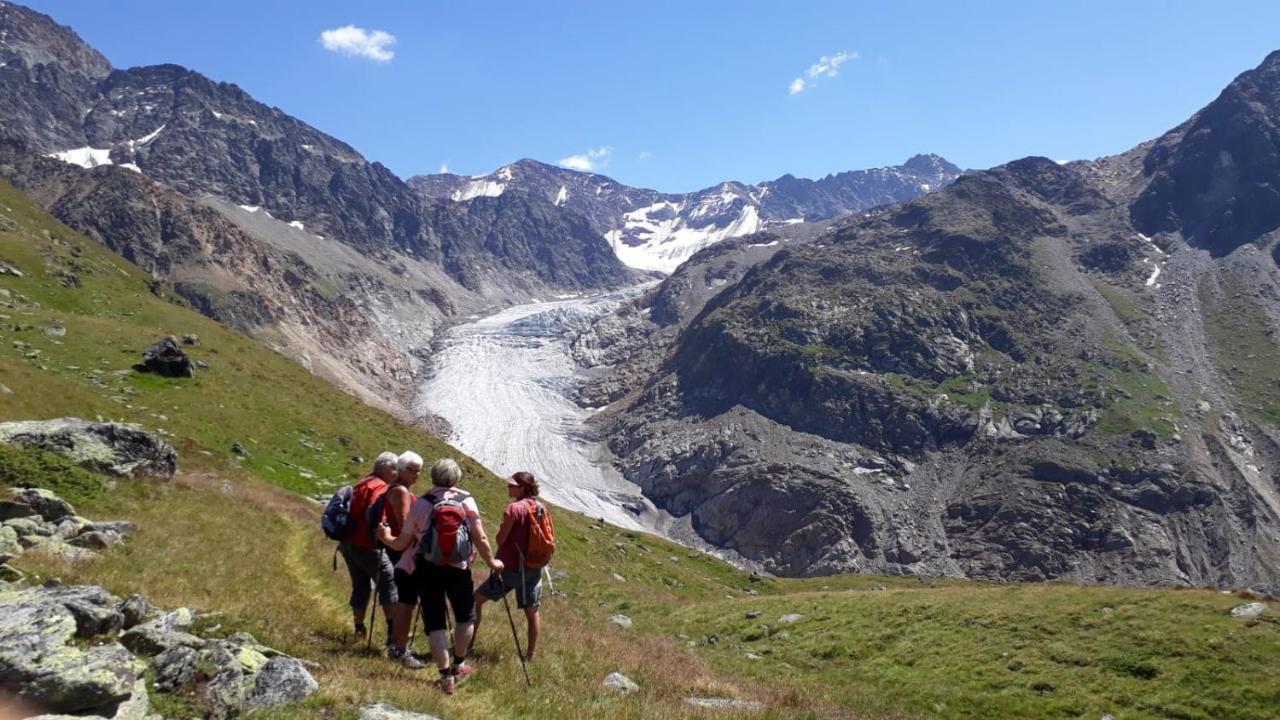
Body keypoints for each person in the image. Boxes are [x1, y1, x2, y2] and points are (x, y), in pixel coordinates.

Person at [378, 458, 503, 694]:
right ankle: (459, 664)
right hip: (459, 568)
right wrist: (492, 562)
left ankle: (445, 675)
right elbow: (480, 536)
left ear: (433, 477)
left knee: (435, 622)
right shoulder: (466, 501)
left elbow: (402, 543)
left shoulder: (423, 503)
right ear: (456, 479)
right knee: (465, 617)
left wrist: (384, 536)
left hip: (428, 568)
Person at [474, 471, 545, 662]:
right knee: (532, 611)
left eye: (512, 486)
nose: (508, 488)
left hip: (511, 568)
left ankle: (466, 645)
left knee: (476, 601)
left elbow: (500, 539)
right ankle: (530, 656)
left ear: (522, 488)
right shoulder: (540, 507)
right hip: (534, 566)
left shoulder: (514, 509)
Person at [339, 452, 399, 642]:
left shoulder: (363, 482)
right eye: (394, 469)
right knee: (388, 580)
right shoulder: (380, 487)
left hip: (348, 542)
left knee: (360, 585)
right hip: (366, 544)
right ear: (384, 469)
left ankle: (359, 627)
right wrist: (382, 530)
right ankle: (393, 630)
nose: (396, 473)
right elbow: (374, 514)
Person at [384, 451, 423, 667]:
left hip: (395, 552)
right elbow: (406, 524)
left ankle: (397, 644)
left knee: (404, 601)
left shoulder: (394, 488)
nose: (417, 475)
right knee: (407, 602)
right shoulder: (401, 492)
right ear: (401, 469)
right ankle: (399, 648)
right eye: (413, 470)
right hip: (402, 554)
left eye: (419, 471)